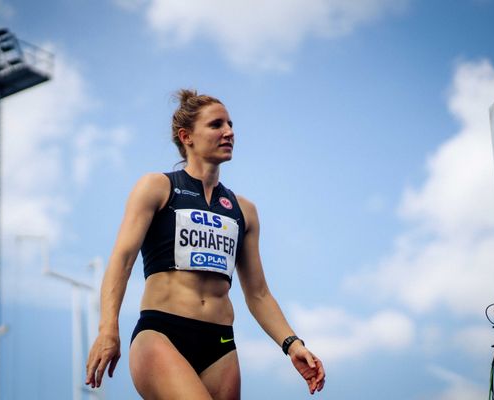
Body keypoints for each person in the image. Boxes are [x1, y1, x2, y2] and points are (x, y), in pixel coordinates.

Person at [85, 89, 325, 399]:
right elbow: (122, 259)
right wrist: (108, 328)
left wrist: (293, 344)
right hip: (162, 334)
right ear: (187, 137)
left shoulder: (243, 210)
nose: (229, 132)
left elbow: (258, 293)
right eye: (216, 125)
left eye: (230, 124)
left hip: (220, 345)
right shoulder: (157, 187)